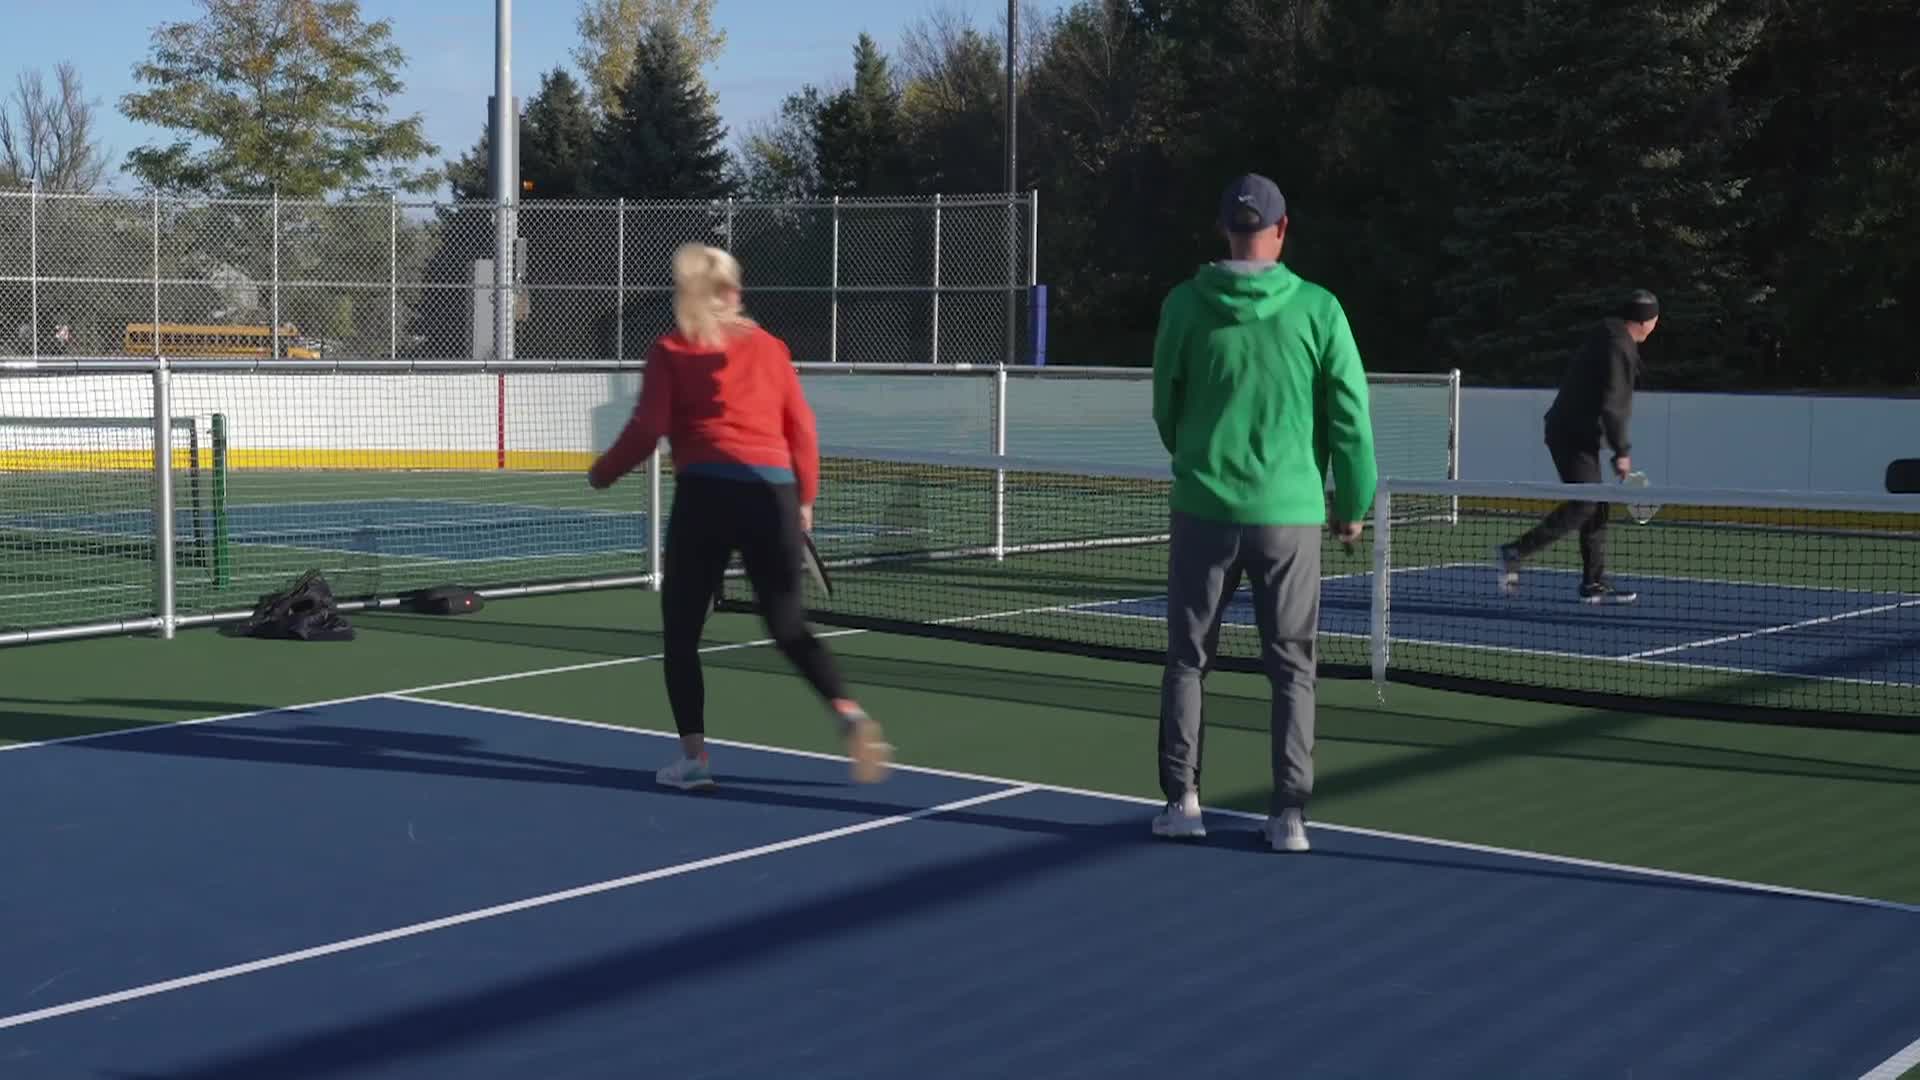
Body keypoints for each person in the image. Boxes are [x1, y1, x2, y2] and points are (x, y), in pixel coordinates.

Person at [588, 243, 892, 789]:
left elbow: (646, 429)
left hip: (705, 495)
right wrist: (804, 500)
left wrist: (603, 473)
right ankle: (850, 715)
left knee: (681, 635)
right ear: (729, 292)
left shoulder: (670, 350)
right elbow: (801, 428)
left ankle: (695, 762)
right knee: (787, 626)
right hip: (771, 494)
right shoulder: (772, 348)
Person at [1149, 174, 1377, 853]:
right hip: (1291, 517)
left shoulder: (1185, 306)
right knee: (1292, 667)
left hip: (1203, 508)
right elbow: (1351, 422)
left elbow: (1167, 406)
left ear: (1225, 228)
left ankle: (1183, 802)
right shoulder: (1320, 309)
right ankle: (1289, 817)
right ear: (1281, 230)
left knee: (1189, 660)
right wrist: (1352, 504)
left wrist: (1199, 454)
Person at [1495, 290, 1660, 605]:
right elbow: (1614, 405)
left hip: (1577, 433)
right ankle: (1515, 552)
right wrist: (1621, 452)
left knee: (1597, 503)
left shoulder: (1612, 336)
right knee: (1586, 504)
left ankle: (1593, 582)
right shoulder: (1618, 346)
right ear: (1647, 321)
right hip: (1570, 434)